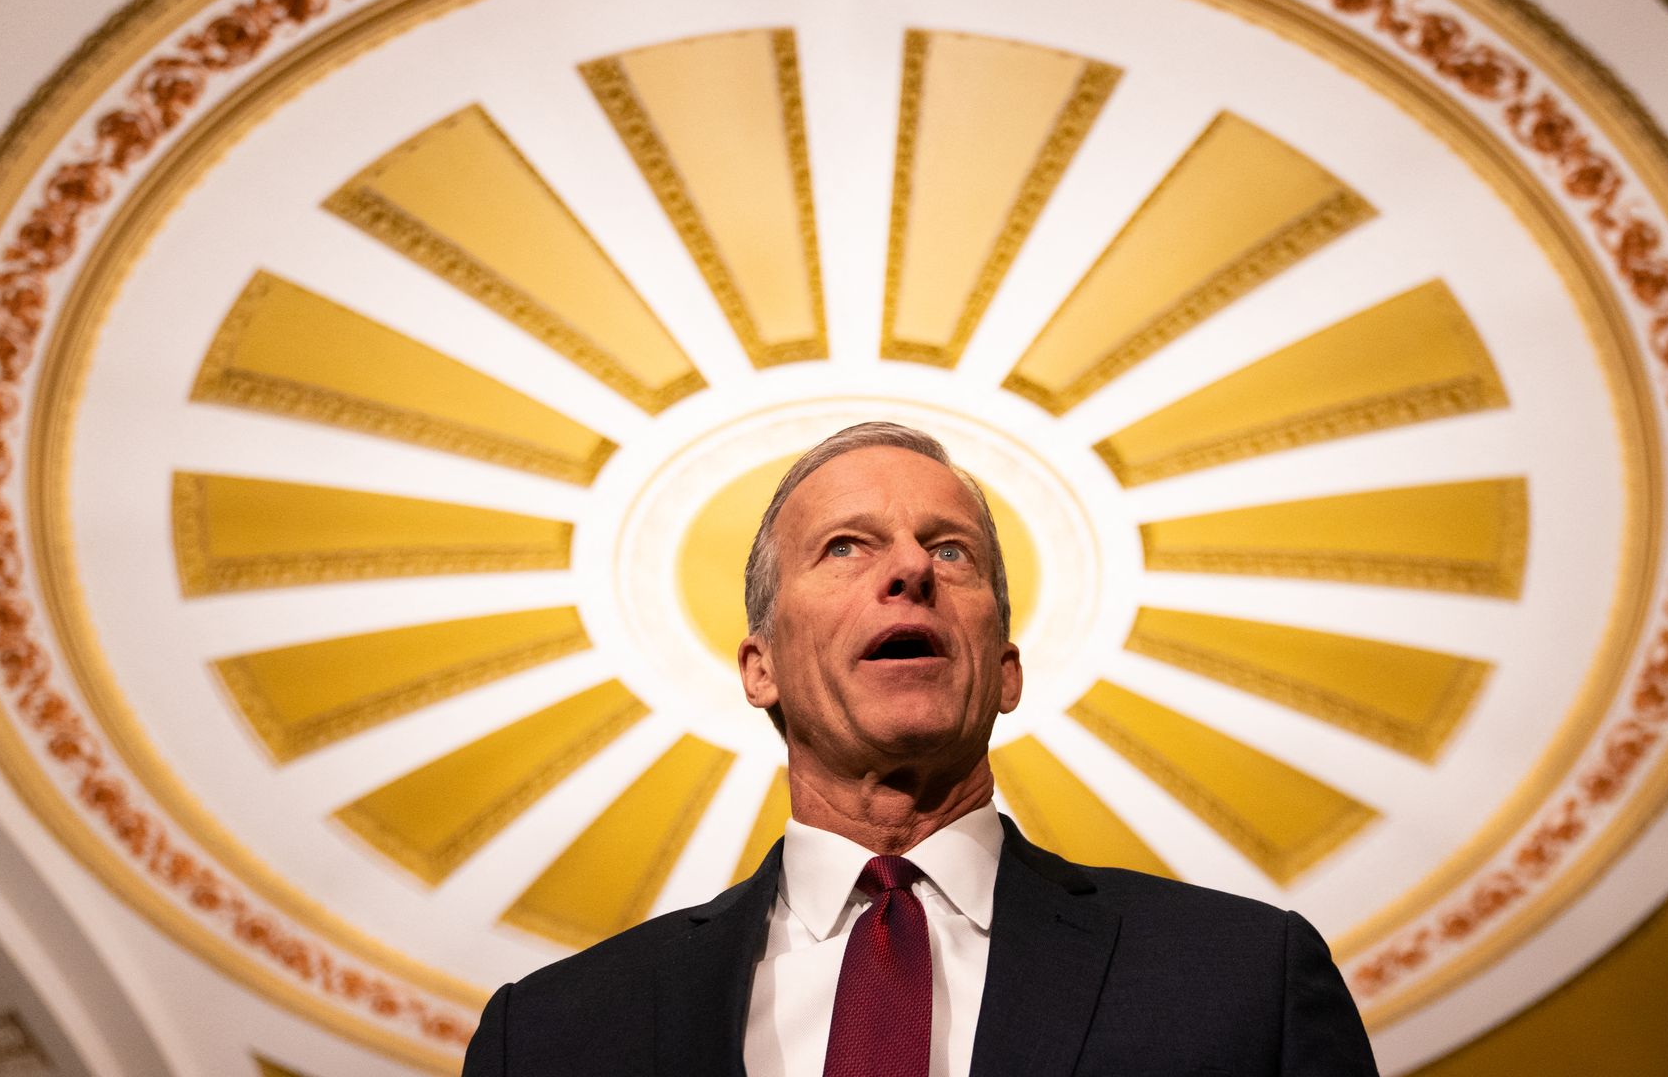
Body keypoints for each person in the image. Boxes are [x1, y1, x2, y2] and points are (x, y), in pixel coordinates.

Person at [463, 422, 1379, 1076]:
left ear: (1007, 671)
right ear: (760, 667)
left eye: (950, 552)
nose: (908, 570)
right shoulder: (551, 1036)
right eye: (846, 548)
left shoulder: (1243, 981)